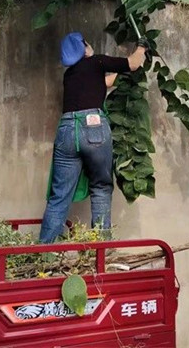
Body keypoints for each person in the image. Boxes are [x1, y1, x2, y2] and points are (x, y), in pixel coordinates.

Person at [38, 32, 146, 243]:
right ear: (84, 48)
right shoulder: (97, 62)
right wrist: (142, 48)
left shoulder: (69, 76)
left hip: (67, 130)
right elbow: (132, 64)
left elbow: (103, 83)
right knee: (101, 188)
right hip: (93, 127)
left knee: (59, 195)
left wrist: (126, 75)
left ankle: (44, 251)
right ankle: (100, 250)